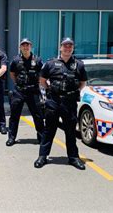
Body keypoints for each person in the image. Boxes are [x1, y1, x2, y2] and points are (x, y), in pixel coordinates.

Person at [34, 37, 86, 170]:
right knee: (49, 130)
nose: (67, 48)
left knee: (70, 132)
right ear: (60, 47)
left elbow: (82, 83)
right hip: (53, 101)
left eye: (70, 46)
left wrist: (72, 93)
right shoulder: (51, 63)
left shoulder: (79, 65)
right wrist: (51, 90)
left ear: (73, 48)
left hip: (69, 103)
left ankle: (73, 157)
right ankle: (42, 156)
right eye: (65, 46)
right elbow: (42, 80)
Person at [6, 38, 45, 146]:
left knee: (38, 115)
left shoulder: (37, 60)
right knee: (14, 115)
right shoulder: (15, 60)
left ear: (30, 47)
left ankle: (41, 137)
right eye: (23, 45)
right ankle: (11, 138)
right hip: (19, 91)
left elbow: (42, 74)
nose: (25, 47)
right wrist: (18, 84)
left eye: (27, 45)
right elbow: (12, 74)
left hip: (33, 91)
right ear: (20, 47)